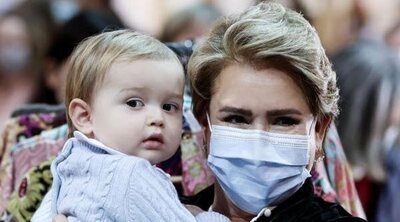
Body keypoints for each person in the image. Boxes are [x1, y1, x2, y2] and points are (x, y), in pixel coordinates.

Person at [181, 2, 366, 221]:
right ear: (205, 122)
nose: (258, 144)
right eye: (236, 119)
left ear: (319, 129)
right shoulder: (160, 211)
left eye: (284, 121)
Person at [32, 30, 229, 221]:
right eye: (134, 103)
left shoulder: (71, 162)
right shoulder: (133, 175)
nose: (157, 118)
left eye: (169, 106)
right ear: (84, 116)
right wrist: (205, 215)